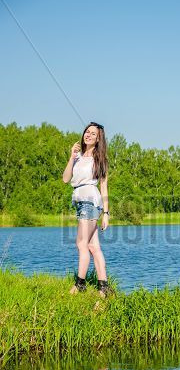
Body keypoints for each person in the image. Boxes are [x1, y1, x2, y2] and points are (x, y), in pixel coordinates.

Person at [62, 121, 111, 297]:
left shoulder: (99, 159)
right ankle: (104, 287)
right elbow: (66, 179)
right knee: (93, 246)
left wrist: (106, 213)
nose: (88, 135)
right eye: (87, 132)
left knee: (81, 243)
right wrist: (71, 157)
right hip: (80, 201)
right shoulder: (79, 156)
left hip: (90, 201)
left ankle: (80, 284)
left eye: (93, 134)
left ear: (98, 139)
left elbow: (104, 187)